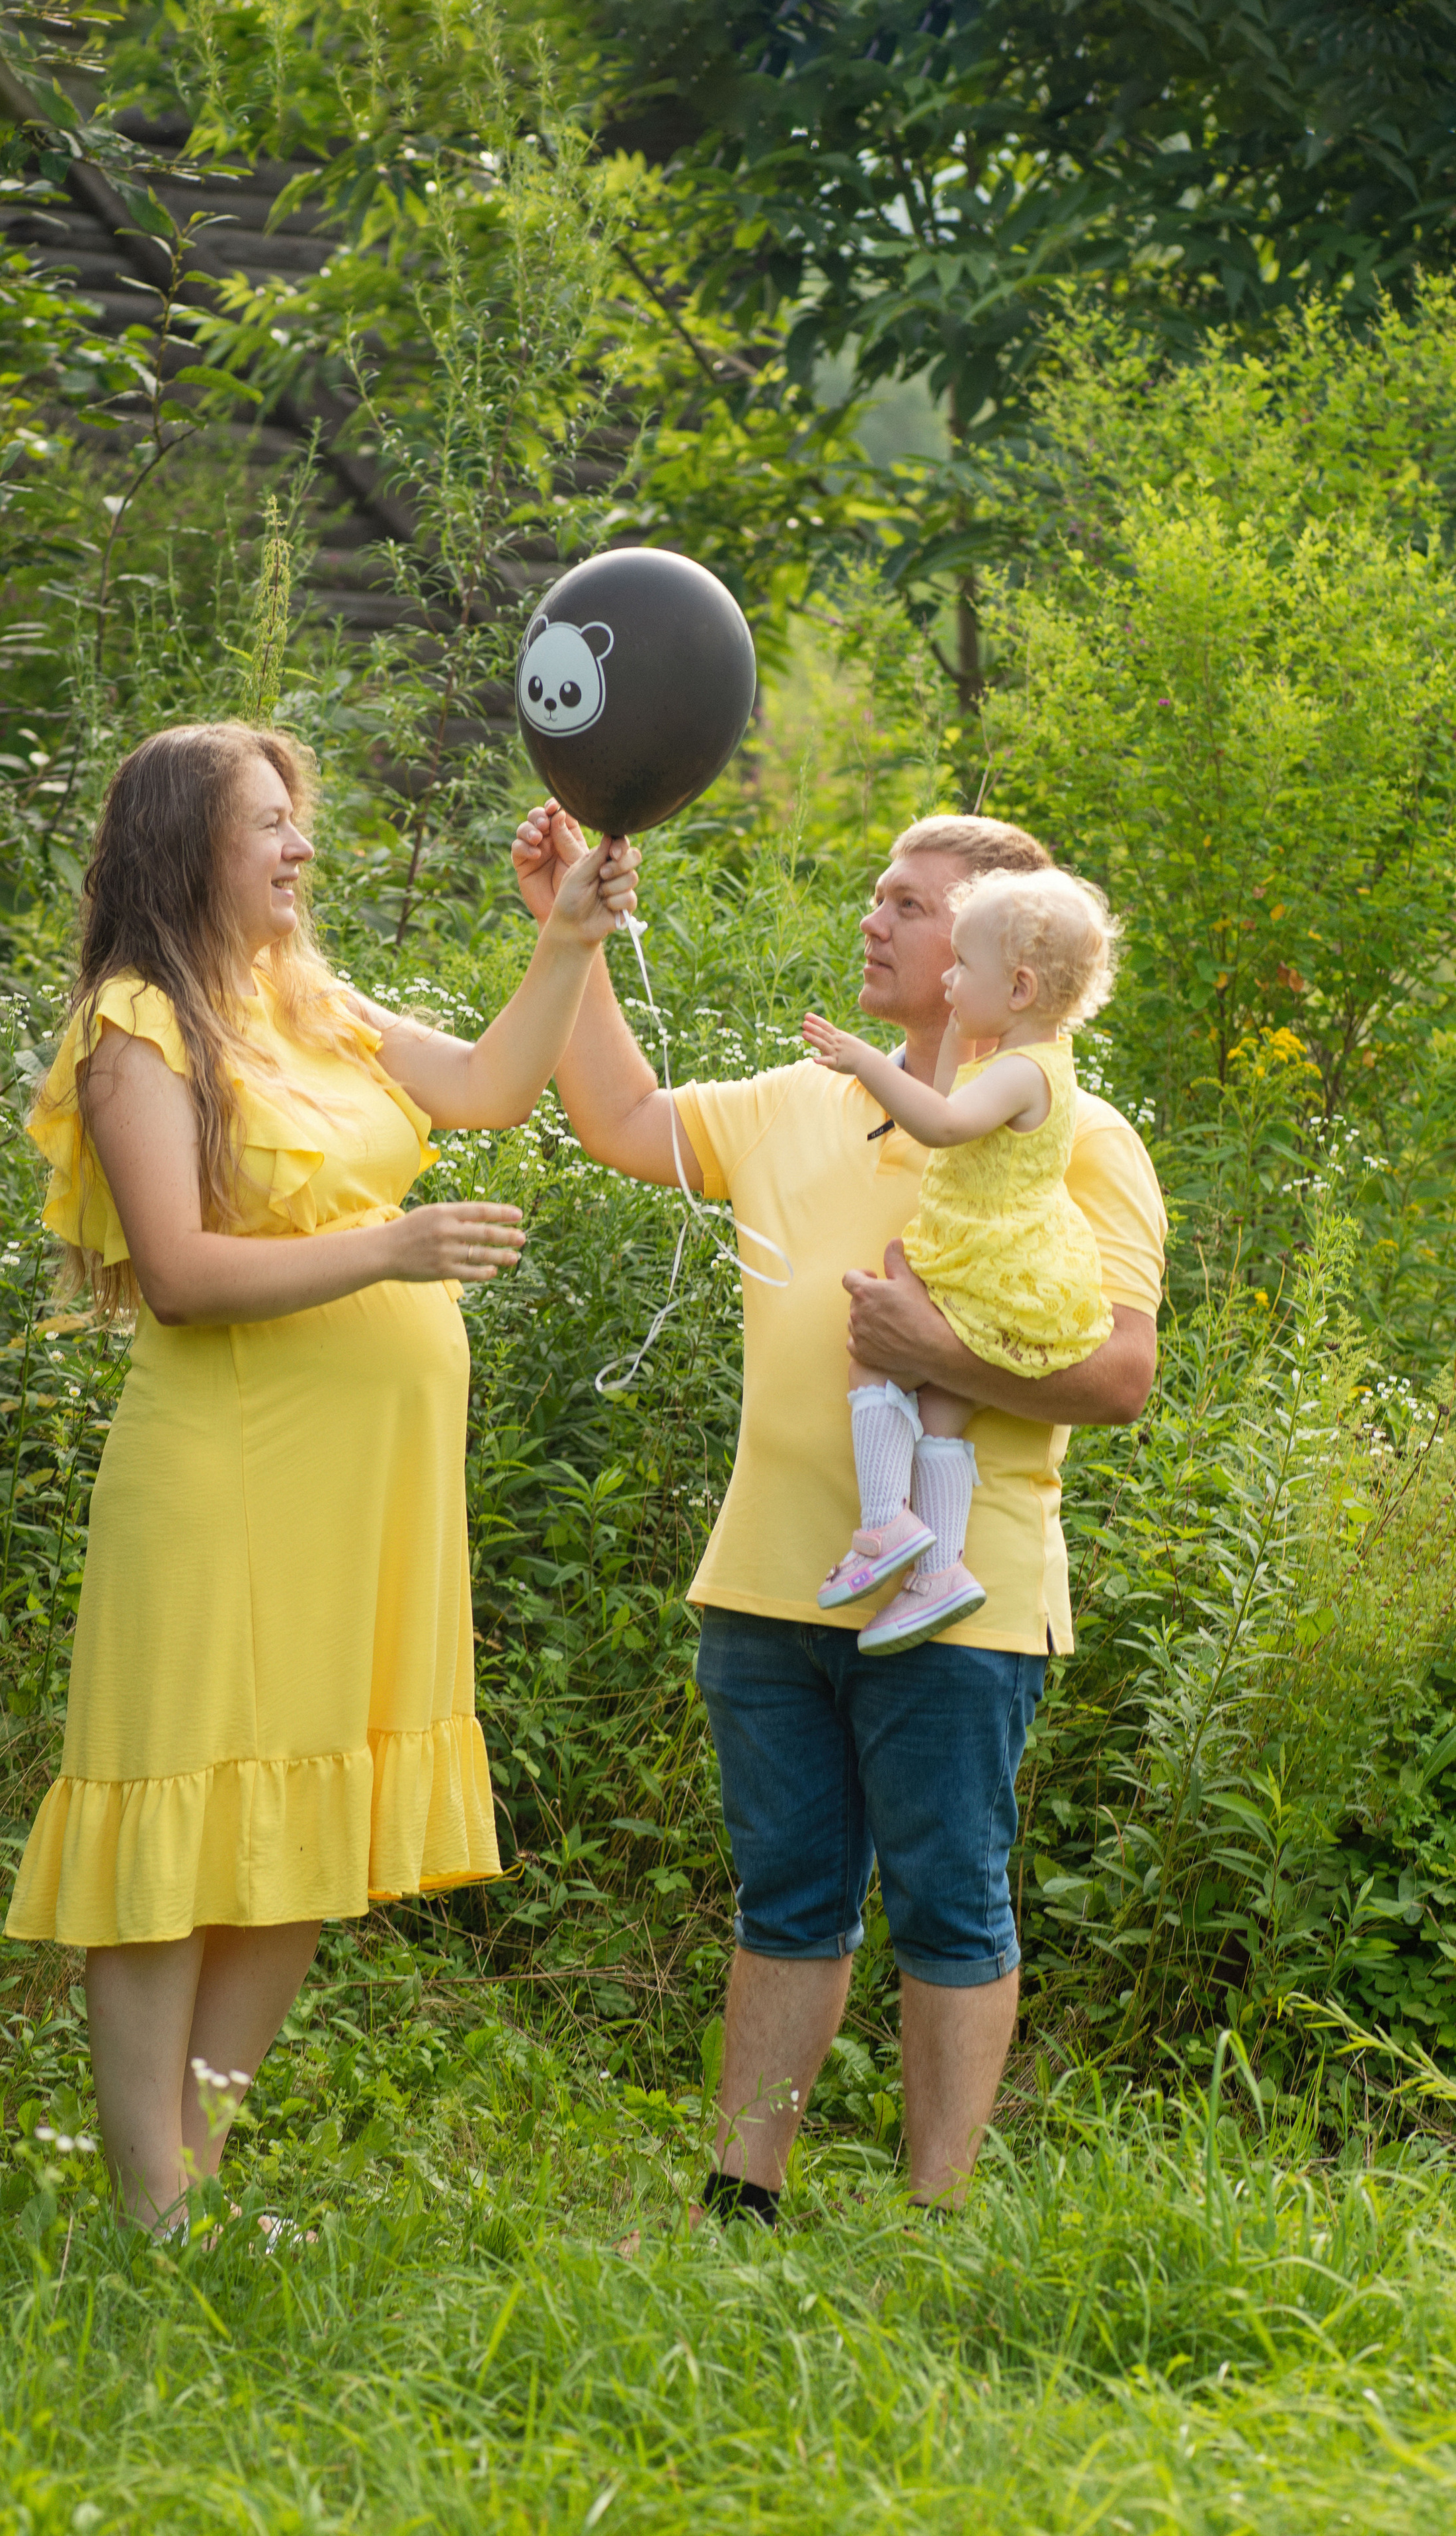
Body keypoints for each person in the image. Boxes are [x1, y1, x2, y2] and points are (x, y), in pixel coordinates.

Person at [5, 722, 639, 2234]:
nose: (300, 848)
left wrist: (565, 939)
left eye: (299, 821)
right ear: (187, 849)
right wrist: (394, 1245)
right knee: (176, 1813)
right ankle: (148, 2197)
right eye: (268, 825)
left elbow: (489, 1086)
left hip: (360, 1484)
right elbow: (177, 1270)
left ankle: (204, 2183)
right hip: (223, 1471)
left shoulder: (308, 1000)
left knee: (292, 1826)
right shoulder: (140, 1024)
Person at [510, 803, 1165, 2215]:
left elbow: (1118, 1375)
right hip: (766, 1584)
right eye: (874, 894)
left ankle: (933, 2211)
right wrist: (574, 934)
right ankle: (741, 2194)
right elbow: (618, 1120)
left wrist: (940, 1360)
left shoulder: (1076, 1132)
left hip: (962, 1594)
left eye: (909, 906)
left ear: (1001, 954)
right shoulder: (796, 1101)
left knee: (946, 1896)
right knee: (787, 1896)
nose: (873, 918)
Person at [802, 864, 1120, 1653]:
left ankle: (883, 1525)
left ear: (1017, 988)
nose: (946, 977)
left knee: (875, 1357)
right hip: (993, 1258)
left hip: (982, 1259)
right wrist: (951, 1024)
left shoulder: (1021, 1071)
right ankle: (938, 1569)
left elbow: (938, 1124)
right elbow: (948, 1092)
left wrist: (865, 1062)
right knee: (943, 1409)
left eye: (961, 966)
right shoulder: (1019, 1060)